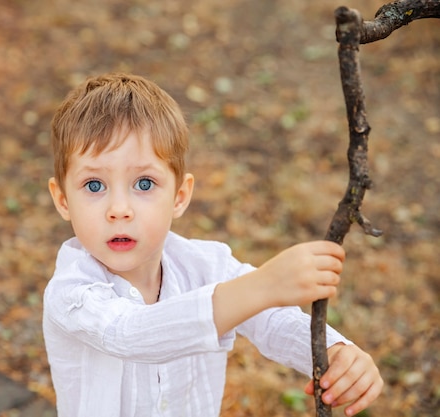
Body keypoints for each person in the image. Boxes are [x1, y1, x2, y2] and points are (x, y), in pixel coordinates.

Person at [43, 73, 383, 417]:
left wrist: (336, 352)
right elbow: (129, 333)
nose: (119, 210)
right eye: (94, 185)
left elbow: (270, 318)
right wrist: (262, 285)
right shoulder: (71, 292)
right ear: (63, 200)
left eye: (144, 183)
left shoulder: (206, 265)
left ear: (179, 196)